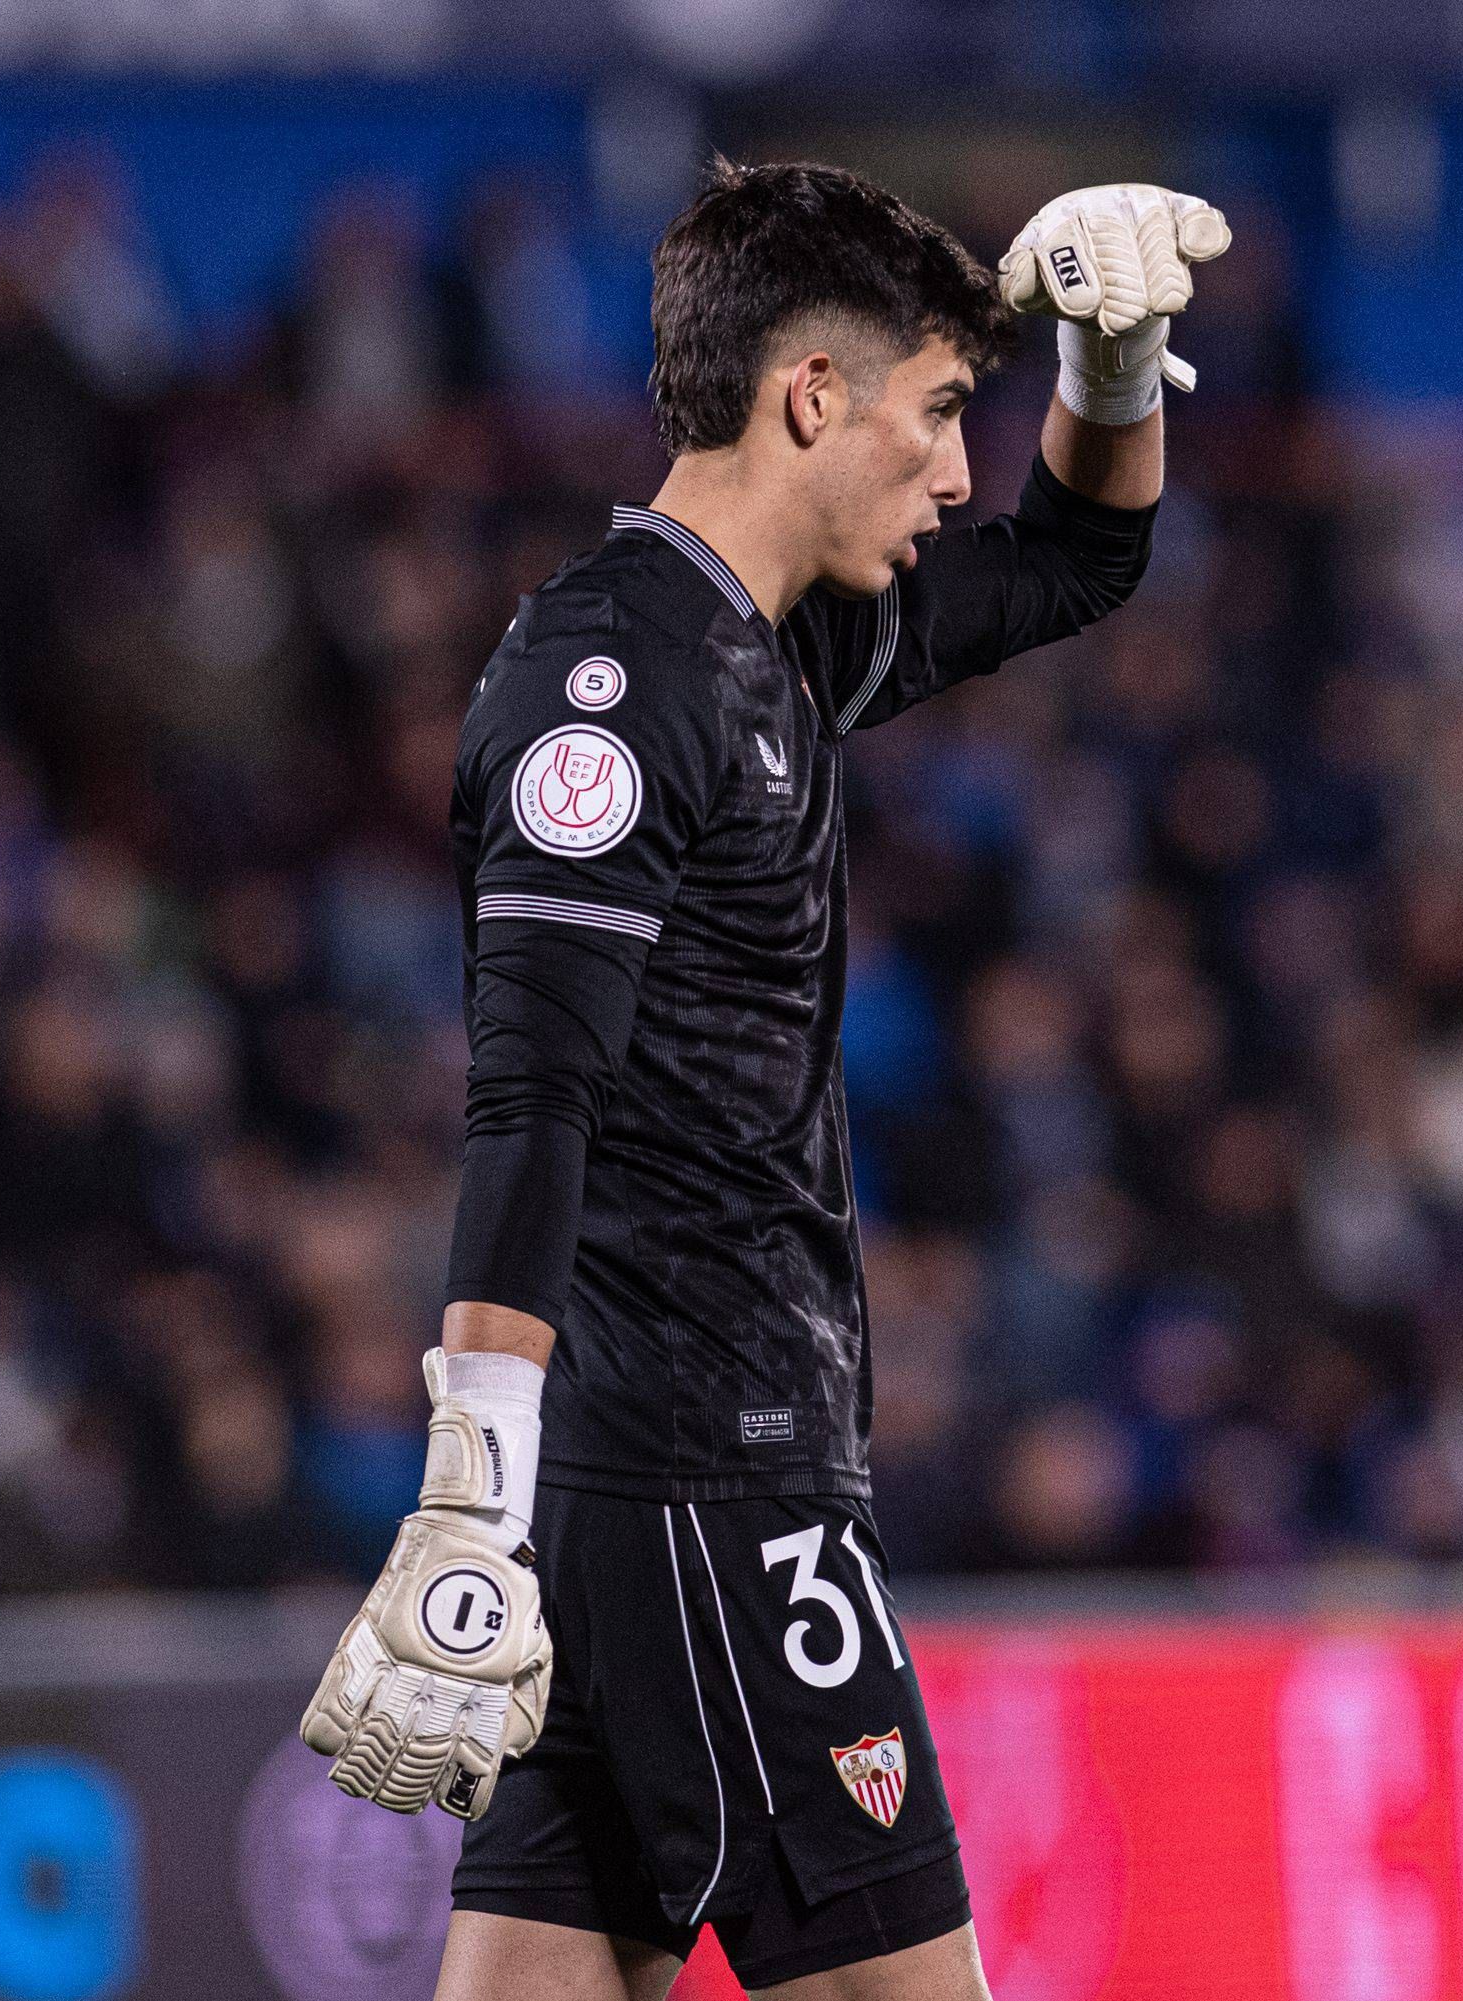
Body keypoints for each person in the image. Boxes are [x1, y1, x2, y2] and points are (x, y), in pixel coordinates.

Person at [297, 164, 1230, 2001]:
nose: (957, 474)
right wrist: (470, 1489)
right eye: (938, 413)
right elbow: (531, 1099)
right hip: (714, 1488)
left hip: (641, 1488)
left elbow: (1077, 560)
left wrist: (1113, 367)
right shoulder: (614, 682)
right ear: (811, 397)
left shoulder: (773, 640)